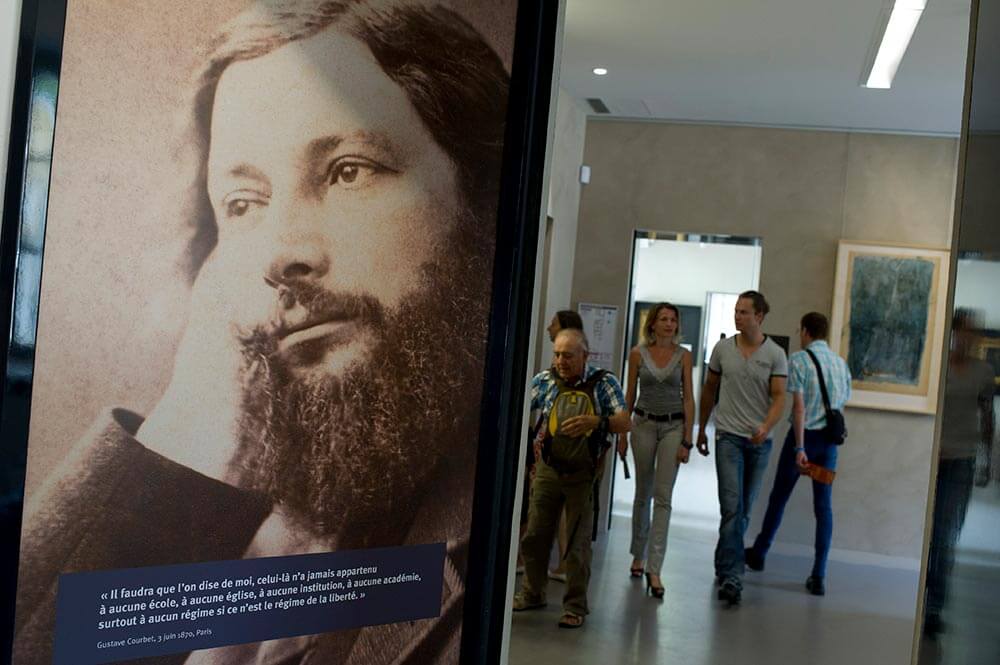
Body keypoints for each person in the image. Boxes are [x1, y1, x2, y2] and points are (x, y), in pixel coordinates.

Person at [13, 2, 510, 664]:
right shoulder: (251, 533)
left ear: (480, 197)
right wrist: (191, 442)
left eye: (348, 170)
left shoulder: (508, 529)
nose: (281, 252)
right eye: (243, 204)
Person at [514, 329, 629, 629]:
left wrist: (598, 421)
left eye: (568, 355)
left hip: (584, 475)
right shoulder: (544, 381)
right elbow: (518, 409)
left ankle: (575, 606)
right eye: (557, 354)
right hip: (548, 470)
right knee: (535, 535)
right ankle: (532, 593)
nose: (560, 361)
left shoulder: (604, 382)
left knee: (578, 544)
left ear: (585, 356)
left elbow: (624, 421)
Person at [744, 312, 851, 596]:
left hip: (803, 439)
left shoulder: (799, 360)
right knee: (823, 507)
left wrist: (800, 447)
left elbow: (798, 408)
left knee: (779, 497)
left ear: (805, 331)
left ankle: (759, 553)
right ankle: (818, 575)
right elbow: (841, 404)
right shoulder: (841, 365)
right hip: (828, 445)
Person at [696, 290, 787, 606]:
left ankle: (724, 563)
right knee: (732, 505)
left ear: (759, 316)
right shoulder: (723, 349)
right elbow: (709, 389)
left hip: (759, 442)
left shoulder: (775, 354)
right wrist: (700, 429)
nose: (738, 317)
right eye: (736, 311)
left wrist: (766, 426)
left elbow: (779, 398)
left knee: (743, 510)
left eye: (745, 312)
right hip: (728, 437)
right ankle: (734, 576)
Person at [924, 309, 995, 637]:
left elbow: (987, 416)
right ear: (952, 333)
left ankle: (934, 606)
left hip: (961, 461)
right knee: (926, 534)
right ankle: (921, 598)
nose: (966, 338)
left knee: (945, 535)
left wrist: (986, 460)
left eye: (972, 332)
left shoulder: (983, 371)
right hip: (931, 459)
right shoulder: (938, 366)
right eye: (962, 331)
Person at [622, 303, 694, 599]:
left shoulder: (684, 356)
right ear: (652, 324)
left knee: (663, 497)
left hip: (673, 427)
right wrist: (622, 434)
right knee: (643, 492)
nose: (668, 323)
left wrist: (688, 439)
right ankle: (637, 553)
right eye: (663, 319)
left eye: (673, 319)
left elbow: (689, 398)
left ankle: (655, 566)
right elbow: (629, 396)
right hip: (643, 424)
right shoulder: (637, 354)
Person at [518, 309, 584, 580]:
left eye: (553, 324)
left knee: (541, 503)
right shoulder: (578, 367)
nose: (548, 327)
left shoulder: (558, 373)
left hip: (552, 442)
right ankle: (558, 564)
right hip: (563, 443)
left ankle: (533, 561)